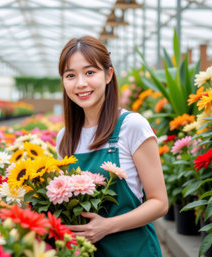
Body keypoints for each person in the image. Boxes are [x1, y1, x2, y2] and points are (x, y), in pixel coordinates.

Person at [56, 36, 168, 257]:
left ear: (108, 75)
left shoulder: (131, 126)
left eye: (90, 72)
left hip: (133, 250)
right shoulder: (64, 138)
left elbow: (160, 203)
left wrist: (106, 226)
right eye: (70, 75)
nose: (80, 83)